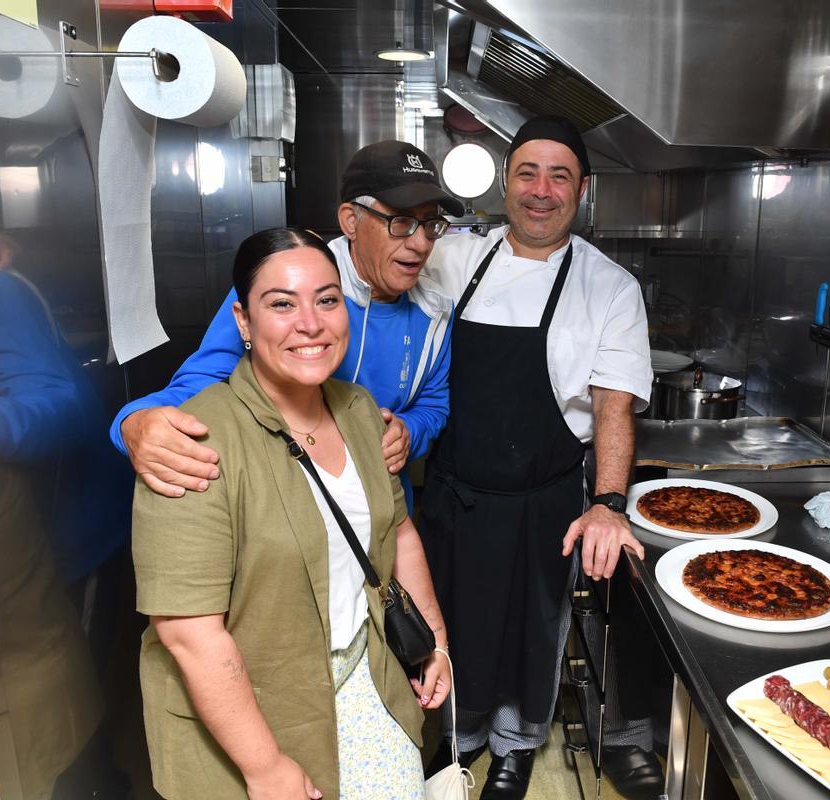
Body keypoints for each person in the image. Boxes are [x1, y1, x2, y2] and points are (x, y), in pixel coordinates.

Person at [133, 228, 450, 799]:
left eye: (327, 300)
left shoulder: (359, 413)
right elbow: (188, 634)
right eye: (281, 303)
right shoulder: (195, 442)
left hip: (369, 686)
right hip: (255, 716)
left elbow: (399, 534)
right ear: (243, 322)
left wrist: (437, 641)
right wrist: (265, 768)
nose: (311, 323)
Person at [417, 116, 657, 799]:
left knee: (532, 629)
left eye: (560, 176)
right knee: (449, 623)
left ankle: (515, 751)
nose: (541, 191)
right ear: (506, 182)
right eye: (528, 172)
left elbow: (614, 407)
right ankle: (455, 744)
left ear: (582, 190)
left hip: (543, 498)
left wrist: (610, 504)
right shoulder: (455, 257)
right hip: (454, 491)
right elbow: (382, 299)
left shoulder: (608, 287)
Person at [110, 140, 463, 510]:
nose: (421, 243)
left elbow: (433, 402)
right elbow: (205, 381)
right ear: (350, 221)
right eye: (402, 222)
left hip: (382, 508)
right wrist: (134, 421)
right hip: (284, 506)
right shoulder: (283, 285)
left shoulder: (435, 309)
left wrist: (410, 431)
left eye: (431, 224)